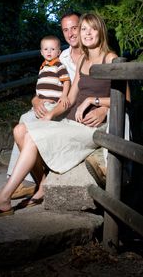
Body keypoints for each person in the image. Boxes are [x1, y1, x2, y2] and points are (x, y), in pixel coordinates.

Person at [0, 12, 117, 220]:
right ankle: (42, 186)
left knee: (30, 136)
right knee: (20, 130)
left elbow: (126, 99)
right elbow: (70, 97)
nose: (86, 33)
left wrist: (97, 102)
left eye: (91, 28)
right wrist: (49, 115)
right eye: (83, 29)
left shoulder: (110, 58)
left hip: (92, 127)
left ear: (100, 30)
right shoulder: (83, 60)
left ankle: (3, 198)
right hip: (73, 121)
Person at [9, 11, 108, 200]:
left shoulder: (99, 56)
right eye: (65, 30)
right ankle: (30, 180)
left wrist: (102, 106)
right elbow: (49, 86)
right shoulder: (61, 56)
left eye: (75, 28)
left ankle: (32, 183)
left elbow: (113, 94)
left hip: (75, 111)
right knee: (26, 119)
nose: (71, 33)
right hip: (61, 105)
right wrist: (36, 100)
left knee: (31, 125)